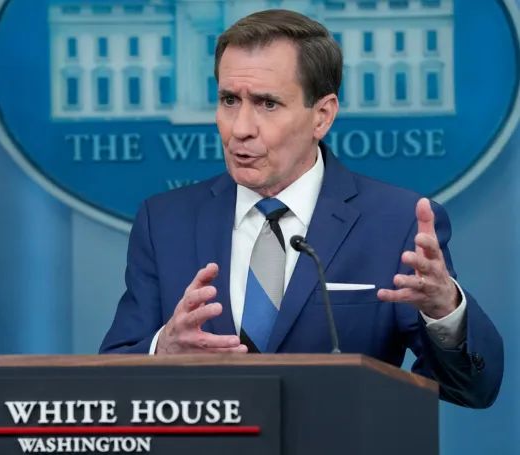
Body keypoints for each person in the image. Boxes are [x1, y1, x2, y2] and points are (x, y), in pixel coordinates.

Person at [99, 9, 503, 408]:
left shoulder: (395, 224)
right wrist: (162, 350)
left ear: (321, 116)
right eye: (229, 100)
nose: (240, 128)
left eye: (267, 103)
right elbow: (108, 381)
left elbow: (472, 390)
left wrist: (444, 310)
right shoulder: (165, 222)